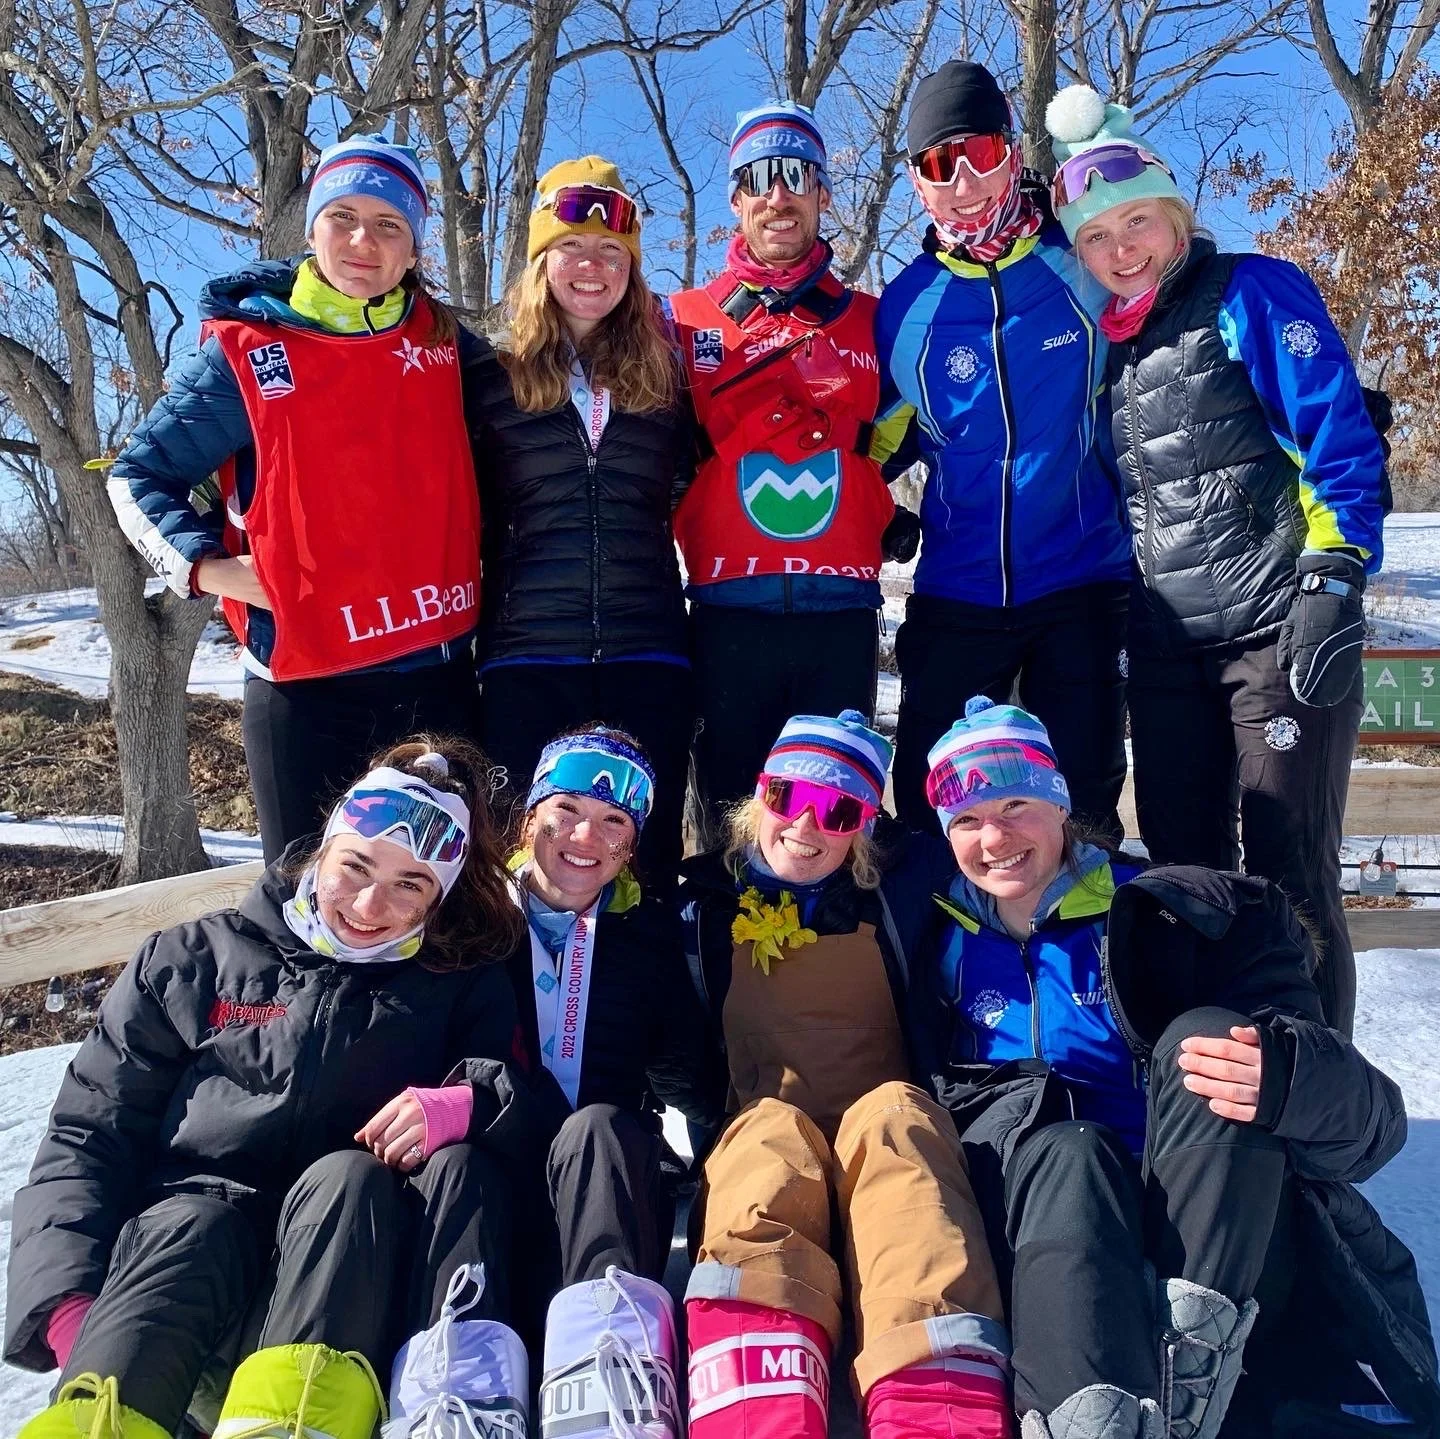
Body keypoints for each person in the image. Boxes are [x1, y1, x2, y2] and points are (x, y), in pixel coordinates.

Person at [913, 696, 1432, 1439]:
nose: (993, 836)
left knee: (1210, 1038)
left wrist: (1285, 1077)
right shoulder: (930, 944)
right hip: (1050, 1247)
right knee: (1068, 1149)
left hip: (1208, 1226)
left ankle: (1191, 1381)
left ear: (1060, 800)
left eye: (1016, 802)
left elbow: (1371, 1128)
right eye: (966, 819)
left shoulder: (1176, 916)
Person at [4, 739, 543, 1439]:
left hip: (342, 1285)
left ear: (438, 898)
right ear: (323, 849)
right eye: (355, 865)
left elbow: (521, 1112)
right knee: (192, 1219)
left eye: (410, 883)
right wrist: (69, 1304)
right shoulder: (195, 960)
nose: (371, 903)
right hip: (182, 1281)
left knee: (350, 1179)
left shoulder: (456, 986)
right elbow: (90, 1131)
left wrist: (469, 1101)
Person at [1044, 87, 1388, 1037]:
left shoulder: (1250, 291)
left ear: (1176, 214)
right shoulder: (1109, 353)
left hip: (1277, 632)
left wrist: (1336, 573)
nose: (1123, 251)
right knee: (1184, 867)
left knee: (1288, 866)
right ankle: (1207, 1099)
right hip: (1167, 649)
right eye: (1098, 237)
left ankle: (1312, 1106)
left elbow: (1340, 439)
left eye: (1138, 222)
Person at [108, 135, 482, 864]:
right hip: (307, 687)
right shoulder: (249, 351)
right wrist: (205, 568)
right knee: (305, 903)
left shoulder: (447, 343)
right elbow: (135, 476)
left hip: (436, 677)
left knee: (442, 905)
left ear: (413, 250)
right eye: (342, 216)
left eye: (388, 225)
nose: (362, 241)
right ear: (311, 228)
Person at [678, 710, 1012, 1439]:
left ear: (865, 827)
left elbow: (999, 845)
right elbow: (671, 1041)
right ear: (755, 797)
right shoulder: (701, 904)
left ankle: (933, 1393)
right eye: (786, 797)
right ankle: (757, 1391)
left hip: (878, 1143)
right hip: (768, 1147)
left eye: (837, 810)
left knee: (899, 1116)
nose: (806, 825)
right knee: (764, 1134)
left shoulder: (899, 889)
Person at [874, 61, 1132, 841]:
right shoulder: (906, 309)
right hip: (959, 589)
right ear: (917, 184)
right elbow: (870, 442)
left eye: (980, 152)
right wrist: (866, 514)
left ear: (1014, 153)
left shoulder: (1081, 265)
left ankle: (1085, 965)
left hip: (1082, 580)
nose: (962, 182)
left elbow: (1175, 340)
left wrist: (1274, 396)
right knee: (927, 809)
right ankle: (940, 963)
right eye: (935, 164)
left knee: (1081, 807)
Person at [668, 103, 905, 842]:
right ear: (735, 197)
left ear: (823, 192)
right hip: (726, 613)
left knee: (834, 822)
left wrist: (889, 515)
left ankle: (837, 960)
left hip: (840, 616)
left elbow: (912, 440)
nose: (779, 195)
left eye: (796, 175)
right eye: (759, 177)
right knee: (729, 832)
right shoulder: (680, 321)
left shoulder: (877, 318)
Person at [464, 156, 694, 889]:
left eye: (611, 253)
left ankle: (642, 1006)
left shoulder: (669, 378)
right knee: (523, 867)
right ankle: (522, 1009)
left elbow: (705, 485)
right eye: (571, 248)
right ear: (541, 260)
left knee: (644, 865)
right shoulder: (489, 379)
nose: (591, 267)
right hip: (527, 658)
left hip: (647, 653)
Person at [502, 726, 724, 1436]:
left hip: (604, 1188)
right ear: (531, 814)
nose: (584, 836)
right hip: (497, 1171)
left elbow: (689, 1073)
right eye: (565, 808)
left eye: (613, 822)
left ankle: (612, 1374)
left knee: (600, 1126)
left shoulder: (644, 937)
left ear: (630, 847)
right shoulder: (475, 920)